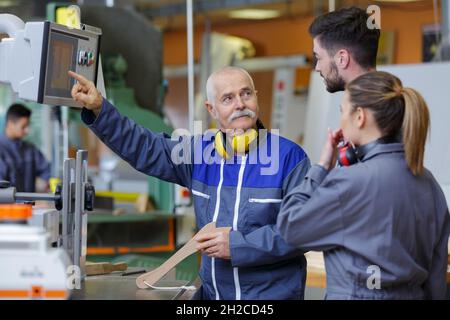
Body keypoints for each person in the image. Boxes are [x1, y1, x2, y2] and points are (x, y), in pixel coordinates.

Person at [68, 66, 311, 300]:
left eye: (246, 94)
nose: (240, 104)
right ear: (211, 109)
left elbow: (304, 231)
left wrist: (237, 244)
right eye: (227, 98)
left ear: (255, 97)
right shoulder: (198, 154)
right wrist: (101, 110)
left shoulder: (290, 158)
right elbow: (145, 147)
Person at [277, 71, 450, 299]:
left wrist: (321, 168)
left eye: (342, 112)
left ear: (359, 116)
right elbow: (437, 274)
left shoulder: (351, 181)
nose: (341, 121)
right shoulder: (429, 184)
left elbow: (290, 227)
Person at [309, 6, 380, 92]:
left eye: (319, 58)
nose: (317, 68)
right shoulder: (393, 99)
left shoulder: (360, 105)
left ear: (342, 59)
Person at [0, 103, 51, 192]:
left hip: (29, 205)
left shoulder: (30, 149)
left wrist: (45, 186)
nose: (27, 130)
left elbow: (47, 171)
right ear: (10, 124)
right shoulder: (1, 150)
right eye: (23, 127)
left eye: (28, 126)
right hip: (6, 206)